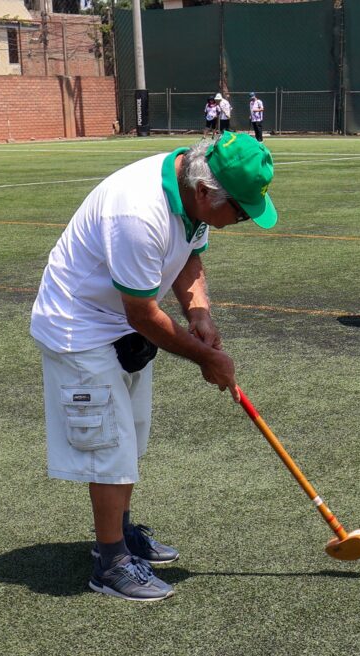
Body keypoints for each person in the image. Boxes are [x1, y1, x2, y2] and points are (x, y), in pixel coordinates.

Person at [31, 132, 277, 602]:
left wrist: (199, 314)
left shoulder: (191, 192)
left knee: (131, 434)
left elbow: (189, 255)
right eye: (242, 211)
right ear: (206, 192)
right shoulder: (137, 212)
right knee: (110, 445)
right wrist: (207, 358)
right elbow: (143, 314)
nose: (242, 220)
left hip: (118, 322)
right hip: (79, 327)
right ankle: (110, 563)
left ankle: (120, 533)